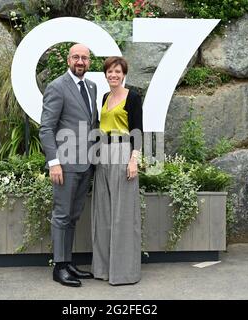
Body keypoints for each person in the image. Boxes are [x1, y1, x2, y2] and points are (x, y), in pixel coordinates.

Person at [39, 43, 98, 287]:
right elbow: (46, 129)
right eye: (76, 57)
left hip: (86, 164)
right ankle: (59, 267)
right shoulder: (57, 87)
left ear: (89, 62)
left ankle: (68, 262)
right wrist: (54, 163)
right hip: (64, 165)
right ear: (68, 60)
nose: (80, 62)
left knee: (73, 216)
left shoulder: (92, 87)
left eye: (84, 58)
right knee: (62, 216)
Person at [91, 56, 143, 285]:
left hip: (123, 154)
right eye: (110, 72)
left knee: (123, 215)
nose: (113, 75)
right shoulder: (104, 97)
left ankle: (124, 273)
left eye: (117, 72)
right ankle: (103, 269)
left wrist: (134, 160)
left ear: (124, 75)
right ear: (105, 75)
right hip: (104, 154)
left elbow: (137, 130)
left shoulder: (132, 97)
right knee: (103, 213)